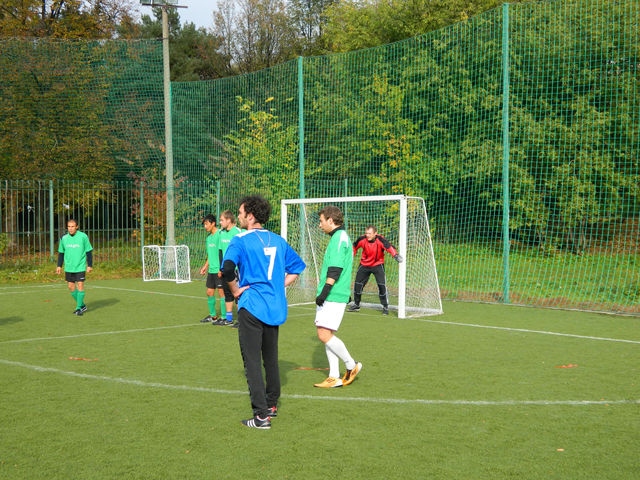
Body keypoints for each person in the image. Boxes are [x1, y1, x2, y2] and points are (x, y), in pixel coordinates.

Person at [223, 195, 306, 429]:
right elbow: (297, 267)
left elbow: (227, 268)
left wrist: (236, 291)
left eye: (241, 213)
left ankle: (260, 417)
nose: (239, 217)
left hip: (252, 306)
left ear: (250, 216)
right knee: (270, 358)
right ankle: (271, 405)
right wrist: (278, 285)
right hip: (274, 306)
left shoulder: (240, 239)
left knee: (252, 361)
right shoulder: (278, 240)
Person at [313, 206, 362, 388]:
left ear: (331, 221)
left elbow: (336, 269)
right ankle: (334, 376)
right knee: (327, 333)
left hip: (333, 295)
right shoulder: (337, 237)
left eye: (321, 221)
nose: (320, 225)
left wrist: (325, 292)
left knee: (323, 334)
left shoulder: (340, 238)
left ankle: (351, 364)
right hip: (333, 294)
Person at [348, 225, 403, 315]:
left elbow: (389, 247)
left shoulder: (381, 240)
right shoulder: (362, 239)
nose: (367, 235)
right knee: (358, 285)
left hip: (378, 265)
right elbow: (354, 246)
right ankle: (356, 305)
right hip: (364, 265)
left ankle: (385, 307)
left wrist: (395, 255)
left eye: (370, 233)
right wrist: (350, 257)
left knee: (381, 286)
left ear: (375, 233)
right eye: (366, 233)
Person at [56, 219, 93, 316]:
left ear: (77, 227)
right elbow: (61, 253)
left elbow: (88, 251)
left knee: (80, 285)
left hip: (80, 266)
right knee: (71, 287)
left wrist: (89, 265)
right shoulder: (64, 238)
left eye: (72, 226)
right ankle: (82, 305)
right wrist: (59, 266)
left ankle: (78, 308)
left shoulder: (83, 236)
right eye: (69, 226)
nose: (70, 228)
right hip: (69, 267)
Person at [215, 210, 243, 328]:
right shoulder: (221, 233)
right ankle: (229, 319)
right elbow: (221, 251)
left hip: (235, 269)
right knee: (227, 293)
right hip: (225, 269)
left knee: (237, 294)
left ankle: (241, 321)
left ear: (229, 220)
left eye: (222, 220)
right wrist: (221, 268)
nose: (220, 222)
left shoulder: (237, 233)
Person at [198, 214, 222, 323]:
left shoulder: (220, 235)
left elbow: (223, 252)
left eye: (207, 224)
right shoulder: (208, 237)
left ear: (213, 223)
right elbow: (210, 254)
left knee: (221, 293)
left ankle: (225, 317)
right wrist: (205, 266)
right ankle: (213, 316)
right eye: (204, 224)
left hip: (219, 270)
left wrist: (221, 268)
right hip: (211, 270)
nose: (205, 226)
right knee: (209, 292)